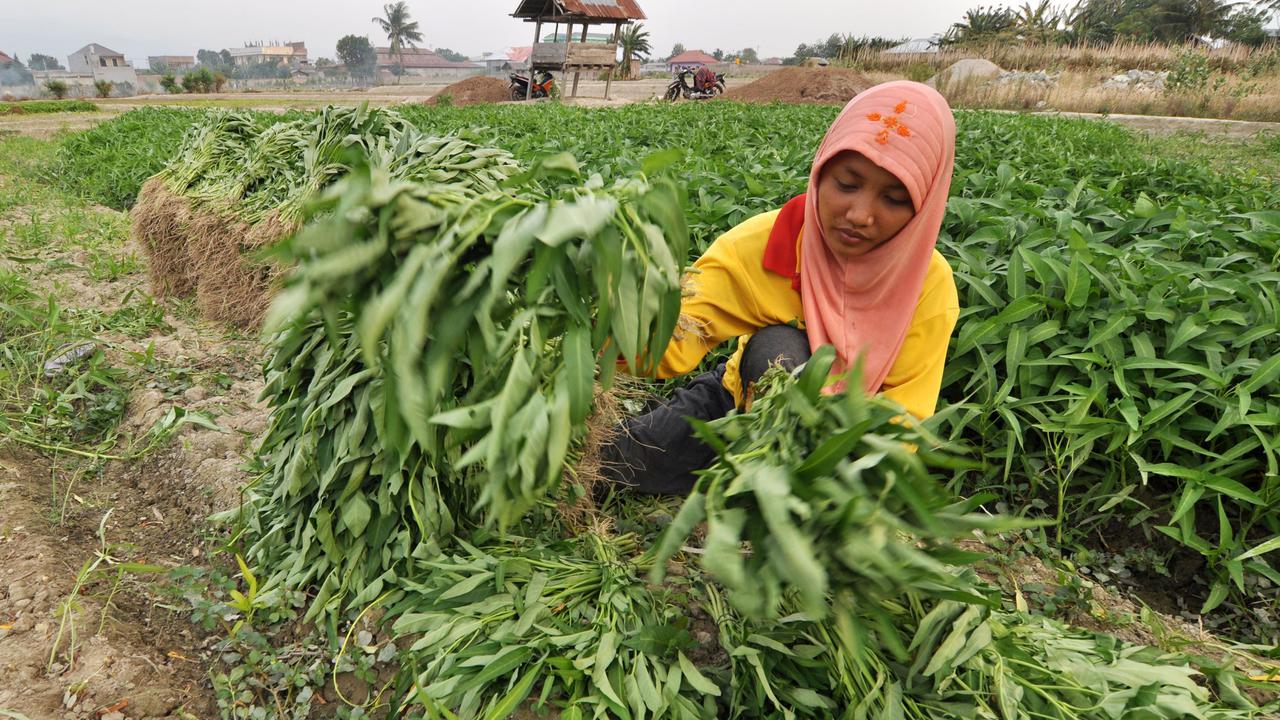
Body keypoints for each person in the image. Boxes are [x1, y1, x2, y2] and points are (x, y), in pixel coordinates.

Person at [600, 81, 961, 495]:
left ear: (924, 207)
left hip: (844, 447)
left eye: (895, 199)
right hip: (739, 403)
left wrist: (846, 486)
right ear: (821, 171)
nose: (860, 215)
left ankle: (783, 485)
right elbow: (676, 328)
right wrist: (606, 321)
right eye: (847, 184)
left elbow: (903, 418)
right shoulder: (766, 245)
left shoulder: (927, 288)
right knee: (610, 468)